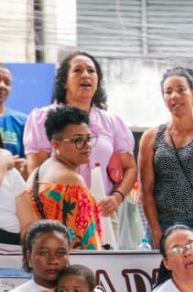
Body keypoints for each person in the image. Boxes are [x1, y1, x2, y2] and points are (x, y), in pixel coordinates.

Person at [23, 52, 136, 248]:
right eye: (77, 70)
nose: (86, 75)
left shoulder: (112, 122)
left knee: (103, 272)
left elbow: (130, 168)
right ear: (64, 81)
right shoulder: (43, 118)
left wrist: (116, 198)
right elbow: (36, 172)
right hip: (58, 211)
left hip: (103, 212)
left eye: (91, 71)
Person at [137, 67, 193, 249]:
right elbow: (146, 190)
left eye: (180, 90)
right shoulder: (150, 137)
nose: (174, 96)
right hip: (162, 225)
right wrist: (155, 231)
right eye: (168, 92)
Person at [14, 105, 101, 248]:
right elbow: (85, 243)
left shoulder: (38, 172)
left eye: (89, 138)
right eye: (78, 140)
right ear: (55, 144)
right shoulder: (72, 181)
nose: (87, 145)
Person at [0, 64, 27, 170]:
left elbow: (31, 160)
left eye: (7, 83)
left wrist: (23, 165)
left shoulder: (23, 122)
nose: (2, 86)